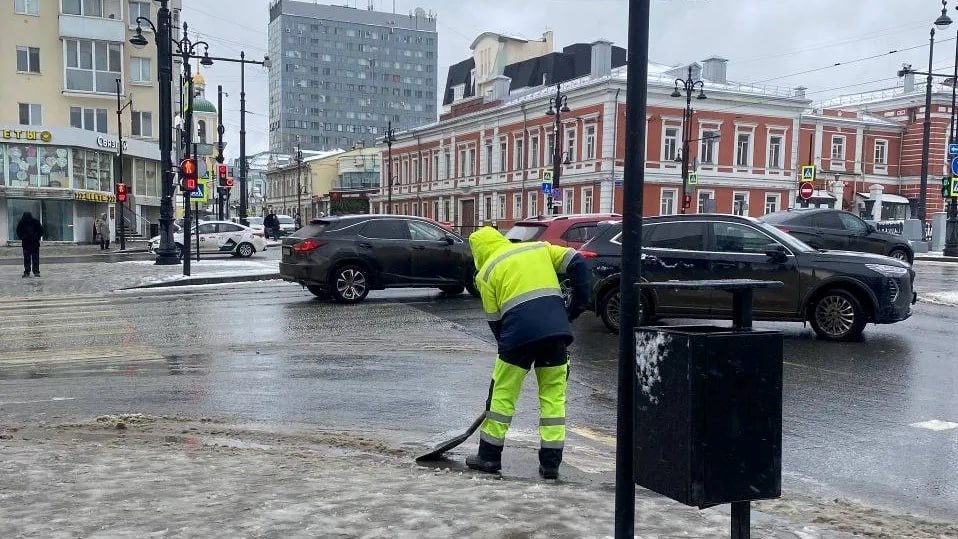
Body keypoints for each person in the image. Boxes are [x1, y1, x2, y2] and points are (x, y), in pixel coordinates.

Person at [465, 226, 589, 479]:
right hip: (556, 334)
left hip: (517, 337)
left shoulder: (486, 273)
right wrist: (574, 308)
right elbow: (577, 262)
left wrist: (507, 353)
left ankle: (489, 457)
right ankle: (551, 464)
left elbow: (495, 321)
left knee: (503, 395)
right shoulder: (538, 248)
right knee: (553, 397)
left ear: (477, 252)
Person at [15, 212, 44, 278]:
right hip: (27, 243)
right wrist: (23, 237)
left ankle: (35, 271)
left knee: (34, 258)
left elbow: (41, 231)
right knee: (28, 258)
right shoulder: (22, 223)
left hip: (34, 243)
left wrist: (37, 237)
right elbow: (18, 231)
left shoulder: (35, 222)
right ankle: (28, 271)